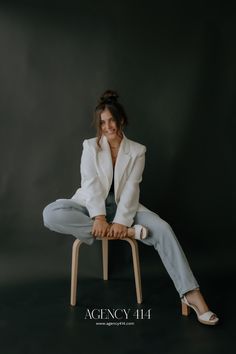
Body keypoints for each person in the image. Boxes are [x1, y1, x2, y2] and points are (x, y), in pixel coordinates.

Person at [42, 90, 219, 326]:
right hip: (90, 205)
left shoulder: (137, 151)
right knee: (51, 214)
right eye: (102, 123)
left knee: (163, 229)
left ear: (121, 120)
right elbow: (91, 184)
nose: (107, 127)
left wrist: (121, 222)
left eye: (111, 120)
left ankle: (192, 295)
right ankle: (130, 234)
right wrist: (100, 217)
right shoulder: (90, 146)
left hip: (125, 208)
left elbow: (131, 191)